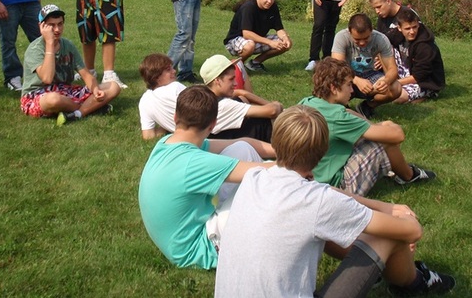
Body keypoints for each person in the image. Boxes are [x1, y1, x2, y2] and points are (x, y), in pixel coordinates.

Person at [215, 105, 455, 298]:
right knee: (387, 236)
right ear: (322, 153)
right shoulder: (319, 202)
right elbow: (413, 232)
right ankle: (416, 282)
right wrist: (404, 220)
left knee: (323, 228)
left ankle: (392, 273)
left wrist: (386, 206)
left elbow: (321, 190)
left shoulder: (254, 178)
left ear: (275, 142)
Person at [138, 85, 274, 269]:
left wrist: (280, 152)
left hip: (180, 239)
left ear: (175, 117)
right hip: (199, 251)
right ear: (213, 125)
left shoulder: (167, 143)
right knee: (259, 183)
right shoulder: (195, 163)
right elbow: (264, 171)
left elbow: (241, 142)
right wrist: (300, 160)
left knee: (242, 149)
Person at [299, 58, 435, 195]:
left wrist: (376, 125)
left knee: (379, 130)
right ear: (333, 88)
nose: (352, 90)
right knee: (383, 141)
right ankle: (408, 176)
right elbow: (398, 136)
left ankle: (393, 167)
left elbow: (347, 115)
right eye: (349, 85)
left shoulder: (307, 103)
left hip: (307, 180)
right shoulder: (338, 117)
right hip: (335, 188)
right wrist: (387, 126)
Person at [20, 4, 121, 125]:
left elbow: (86, 75)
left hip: (65, 91)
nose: (57, 30)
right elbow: (47, 78)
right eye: (52, 25)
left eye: (60, 24)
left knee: (113, 86)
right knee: (53, 100)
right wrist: (50, 44)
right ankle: (91, 108)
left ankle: (78, 114)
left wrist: (95, 90)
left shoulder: (68, 45)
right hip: (37, 94)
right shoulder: (35, 49)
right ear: (41, 26)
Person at [137, 53, 273, 141]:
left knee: (241, 98)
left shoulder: (144, 101)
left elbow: (148, 135)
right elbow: (200, 100)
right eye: (168, 70)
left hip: (199, 131)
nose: (174, 71)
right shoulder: (174, 87)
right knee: (254, 109)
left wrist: (166, 125)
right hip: (213, 123)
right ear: (156, 77)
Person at [332, 13, 402, 118]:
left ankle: (367, 107)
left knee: (396, 88)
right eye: (357, 40)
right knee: (330, 83)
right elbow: (337, 67)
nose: (362, 43)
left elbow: (392, 69)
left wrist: (385, 82)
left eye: (366, 38)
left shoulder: (381, 39)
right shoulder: (341, 37)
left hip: (369, 75)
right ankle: (342, 106)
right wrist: (356, 80)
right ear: (349, 32)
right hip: (345, 76)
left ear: (371, 30)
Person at [201, 54, 283, 142]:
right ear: (217, 81)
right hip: (264, 140)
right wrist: (275, 104)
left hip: (237, 140)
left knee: (241, 99)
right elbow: (273, 111)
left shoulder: (206, 98)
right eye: (231, 79)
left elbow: (240, 94)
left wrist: (244, 93)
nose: (235, 83)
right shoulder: (223, 106)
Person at [223, 0, 292, 71]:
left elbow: (279, 29)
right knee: (250, 46)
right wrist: (270, 42)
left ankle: (255, 63)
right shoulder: (249, 7)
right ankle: (234, 68)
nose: (270, 1)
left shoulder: (273, 7)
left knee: (285, 44)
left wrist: (285, 38)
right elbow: (246, 34)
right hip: (235, 40)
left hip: (256, 39)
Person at [388, 9, 446, 104]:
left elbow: (419, 76)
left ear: (418, 24)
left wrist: (394, 83)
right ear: (399, 28)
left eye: (414, 27)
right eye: (407, 28)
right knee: (385, 46)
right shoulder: (396, 34)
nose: (412, 31)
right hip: (405, 72)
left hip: (424, 82)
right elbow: (382, 41)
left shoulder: (425, 46)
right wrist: (378, 59)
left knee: (395, 98)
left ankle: (429, 94)